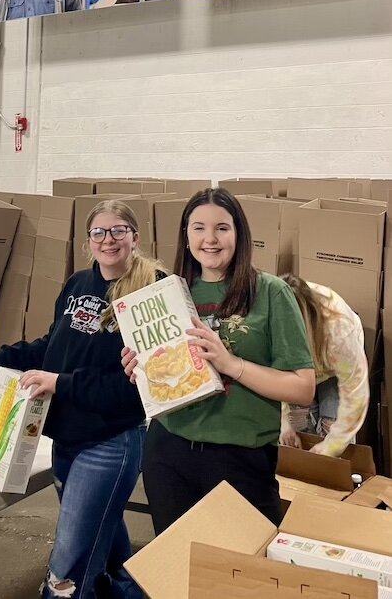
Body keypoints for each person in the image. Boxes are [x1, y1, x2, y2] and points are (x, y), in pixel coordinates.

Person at [0, 200, 163, 599]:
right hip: (67, 439)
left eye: (119, 230)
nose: (109, 239)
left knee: (69, 564)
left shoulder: (151, 289)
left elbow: (133, 388)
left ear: (135, 236)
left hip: (110, 441)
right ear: (88, 242)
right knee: (105, 546)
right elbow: (53, 347)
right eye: (99, 232)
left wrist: (61, 383)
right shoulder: (77, 284)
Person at [122, 187, 316, 534]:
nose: (209, 239)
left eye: (222, 228)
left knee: (239, 575)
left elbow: (303, 388)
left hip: (239, 458)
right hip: (169, 451)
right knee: (175, 572)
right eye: (198, 228)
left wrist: (231, 365)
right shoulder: (169, 292)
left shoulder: (271, 292)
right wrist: (141, 366)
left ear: (238, 234)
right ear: (185, 235)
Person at [279, 274, 369, 457]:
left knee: (331, 428)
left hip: (335, 367)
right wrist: (283, 424)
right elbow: (272, 376)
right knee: (299, 431)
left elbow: (355, 395)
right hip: (298, 368)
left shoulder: (339, 332)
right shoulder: (266, 319)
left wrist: (332, 446)